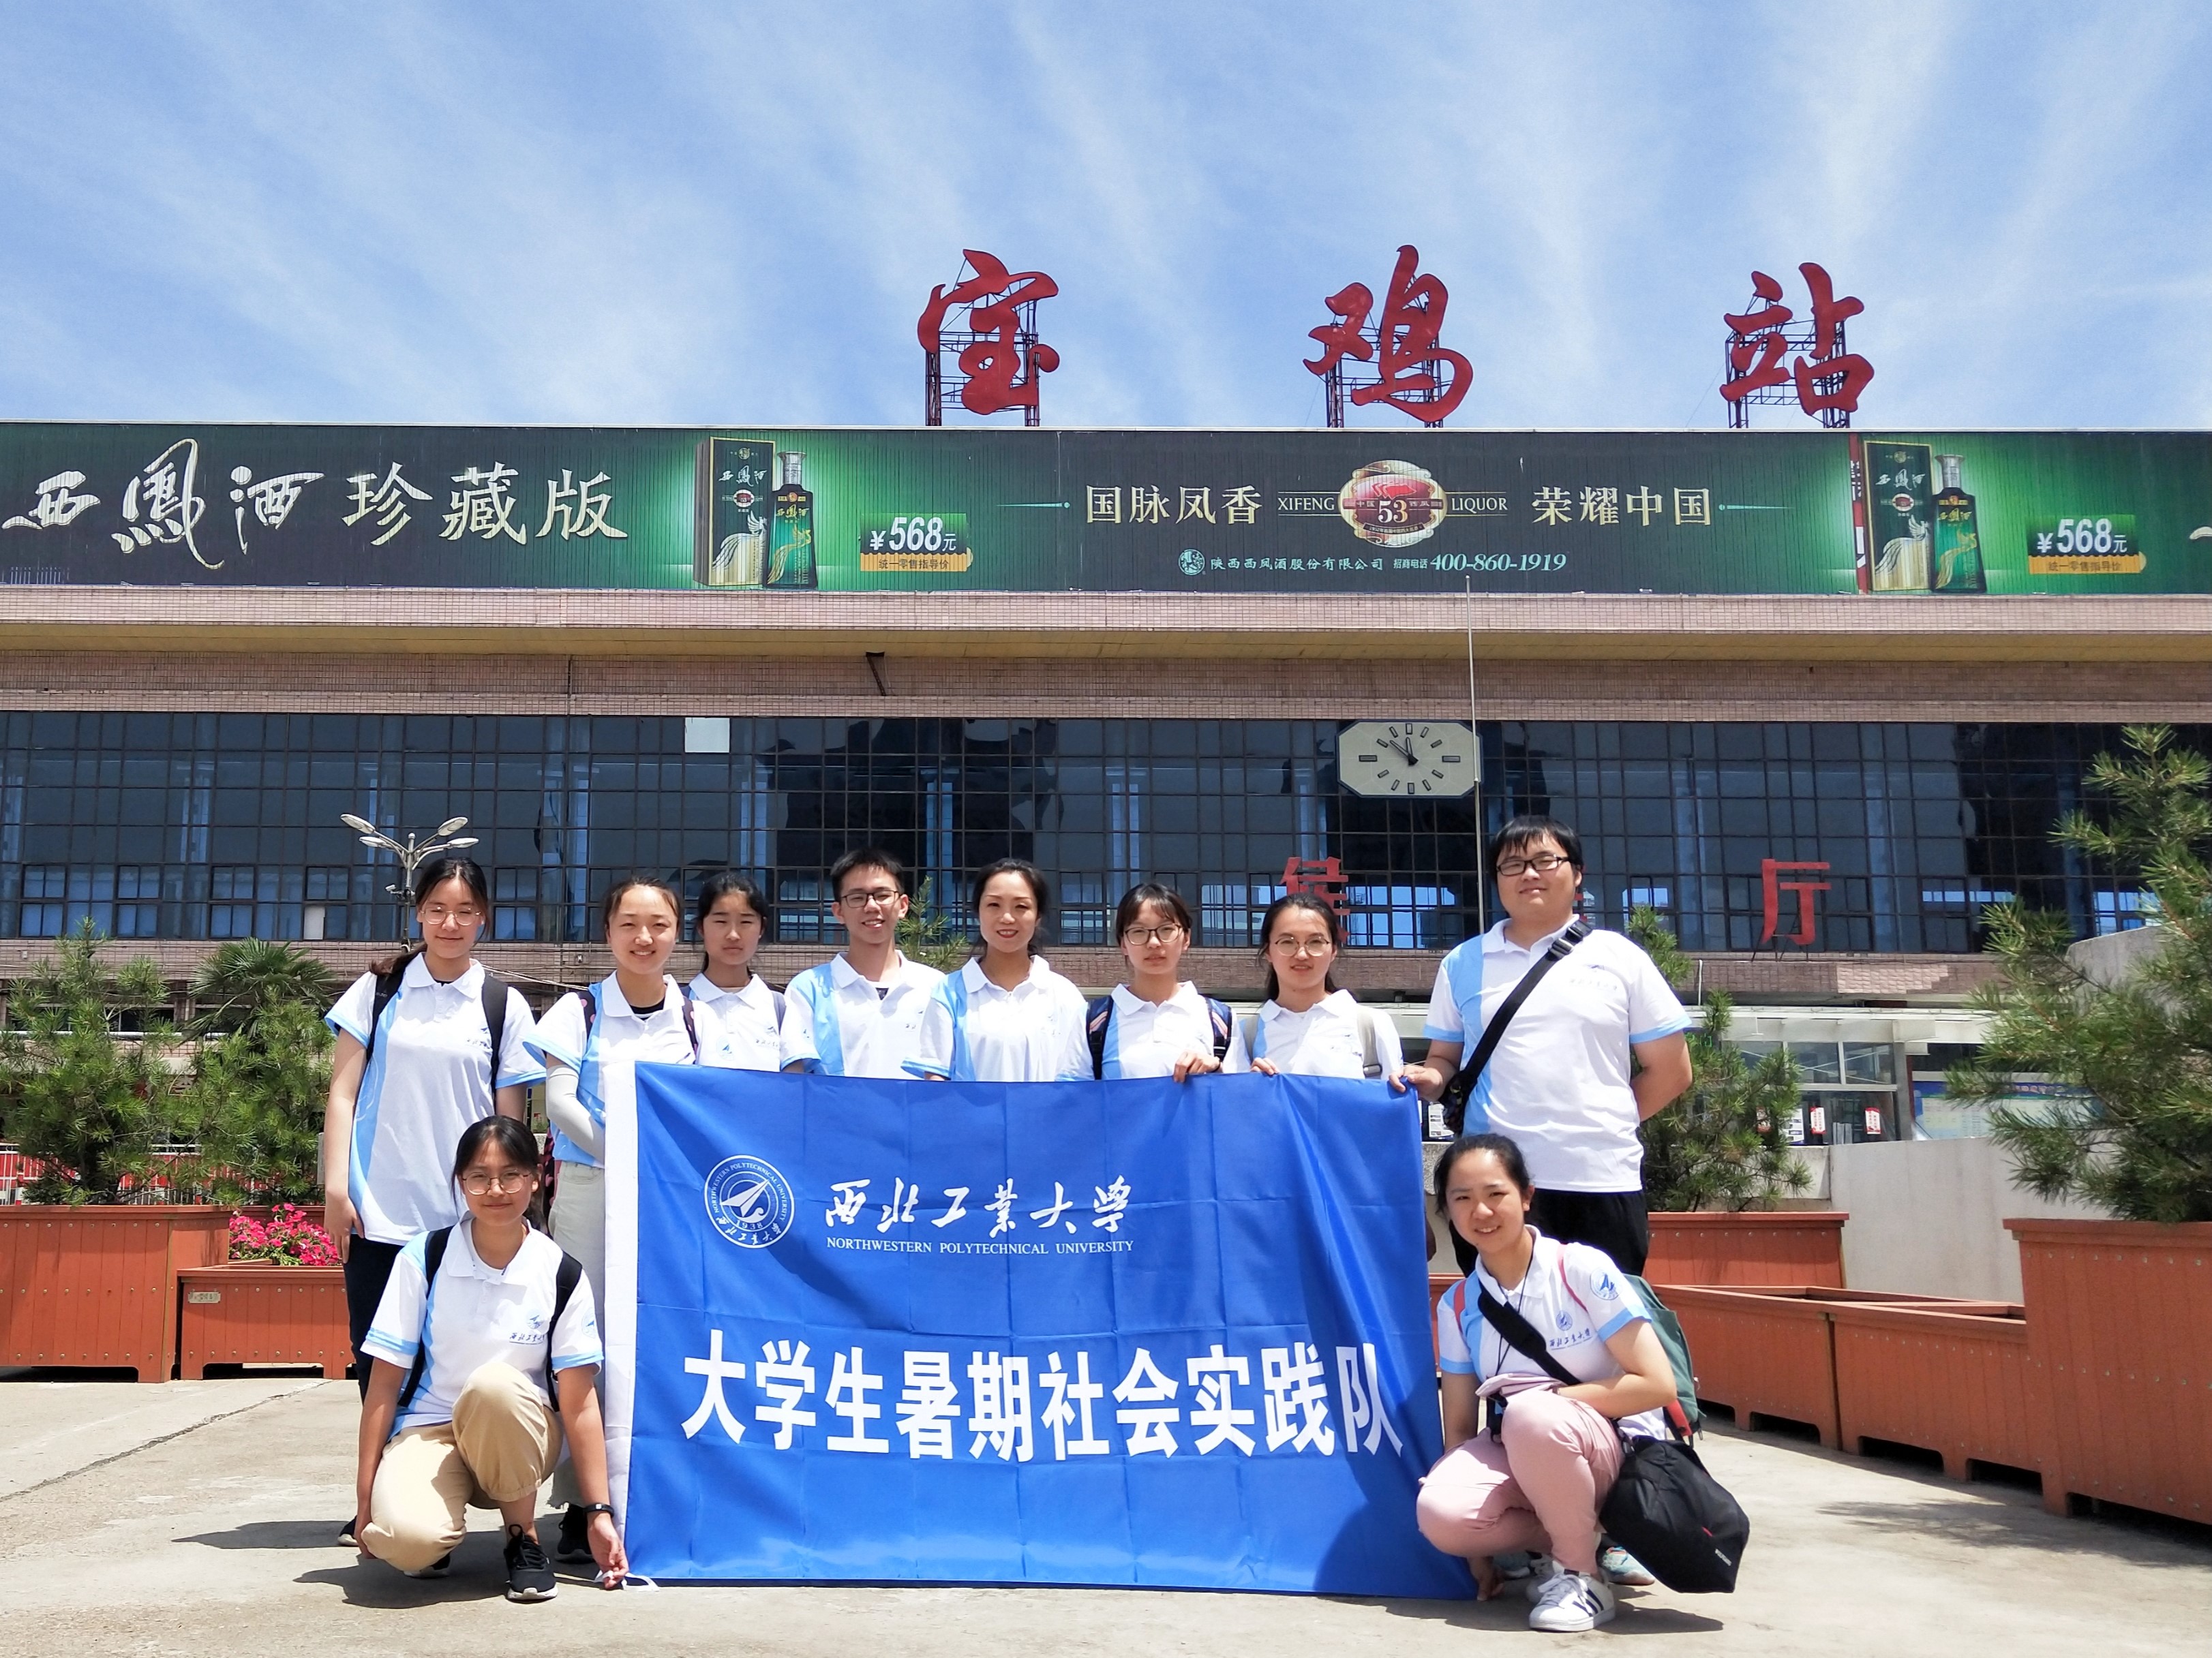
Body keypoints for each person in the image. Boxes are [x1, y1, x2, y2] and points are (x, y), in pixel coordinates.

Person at [322, 853, 543, 1548]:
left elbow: (508, 1122)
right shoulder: (378, 992)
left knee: (466, 1363)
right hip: (381, 1210)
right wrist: (335, 1187)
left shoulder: (501, 1004)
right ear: (418, 912)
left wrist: (506, 1205)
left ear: (484, 919)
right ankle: (388, 1497)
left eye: (465, 911)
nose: (451, 923)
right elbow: (341, 1093)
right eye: (438, 910)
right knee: (379, 1363)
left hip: (465, 1221)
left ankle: (468, 1499)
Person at [1403, 815, 1693, 1276]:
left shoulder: (1619, 957)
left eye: (1544, 861)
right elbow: (1445, 1060)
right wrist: (1428, 1077)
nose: (1529, 874)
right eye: (1512, 864)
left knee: (1603, 1315)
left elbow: (1672, 1070)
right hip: (1496, 1184)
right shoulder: (1463, 962)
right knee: (1503, 1314)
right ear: (1496, 879)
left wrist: (1602, 1124)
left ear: (1576, 873)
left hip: (1600, 1179)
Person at [353, 1116, 626, 1601]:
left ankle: (523, 1538)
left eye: (511, 1175)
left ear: (536, 1179)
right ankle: (436, 1530)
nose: (495, 1190)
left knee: (493, 1385)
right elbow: (383, 1384)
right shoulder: (424, 1257)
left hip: (519, 1435)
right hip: (431, 1430)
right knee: (405, 1544)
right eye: (479, 1177)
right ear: (461, 1182)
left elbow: (580, 1403)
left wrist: (598, 1512)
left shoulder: (560, 1272)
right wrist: (364, 1498)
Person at [1417, 1133, 1679, 1632]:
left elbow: (1656, 1384)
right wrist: (1475, 1553)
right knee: (1441, 1513)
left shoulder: (1580, 1268)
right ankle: (1570, 1537)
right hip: (1529, 1444)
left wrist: (1552, 1401)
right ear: (1447, 1211)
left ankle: (1582, 1577)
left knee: (1531, 1414)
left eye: (1496, 1193)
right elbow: (1460, 1428)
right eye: (1462, 1198)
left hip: (1614, 1448)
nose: (1481, 1211)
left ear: (1526, 1196)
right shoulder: (1457, 1303)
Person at [525, 874, 699, 1556]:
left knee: (667, 1327)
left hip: (671, 1194)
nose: (643, 937)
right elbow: (559, 1102)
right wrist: (624, 1154)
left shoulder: (697, 1015)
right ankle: (582, 1498)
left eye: (658, 924)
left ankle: (660, 1484)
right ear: (607, 932)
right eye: (629, 923)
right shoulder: (578, 1010)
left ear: (677, 934)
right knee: (585, 1336)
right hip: (592, 1188)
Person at [909, 858, 1091, 1082]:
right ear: (978, 912)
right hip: (970, 1108)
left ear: (1038, 917)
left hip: (1046, 1107)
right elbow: (936, 1079)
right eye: (994, 905)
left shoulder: (1064, 995)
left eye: (1021, 907)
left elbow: (1077, 1080)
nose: (1007, 918)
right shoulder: (949, 993)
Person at [779, 848, 946, 1077]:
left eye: (882, 895)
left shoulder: (936, 987)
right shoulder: (809, 989)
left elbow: (944, 1074)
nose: (872, 906)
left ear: (903, 905)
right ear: (838, 912)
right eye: (857, 898)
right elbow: (794, 1076)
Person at [1087, 882, 1250, 1080]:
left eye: (1166, 930)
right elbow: (1072, 1092)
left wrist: (1216, 1070)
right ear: (1123, 943)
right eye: (1139, 931)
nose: (1154, 943)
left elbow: (1240, 1092)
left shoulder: (1220, 1018)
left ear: (1186, 938)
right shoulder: (1093, 1020)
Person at [1243, 892, 1408, 1088]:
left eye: (1315, 942)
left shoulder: (1371, 1025)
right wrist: (1250, 1088)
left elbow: (1394, 1100)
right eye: (1287, 942)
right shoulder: (1245, 1034)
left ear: (1334, 950)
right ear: (1268, 951)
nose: (1302, 954)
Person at [688, 870, 785, 1072]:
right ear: (701, 928)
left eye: (746, 922)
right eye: (721, 922)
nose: (733, 935)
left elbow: (794, 1081)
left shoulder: (783, 1008)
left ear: (762, 928)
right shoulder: (678, 1005)